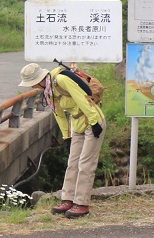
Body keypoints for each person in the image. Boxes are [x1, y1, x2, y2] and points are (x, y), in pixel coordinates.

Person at [18, 62, 106, 218]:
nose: (33, 88)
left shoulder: (61, 80)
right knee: (72, 163)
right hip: (77, 124)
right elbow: (59, 114)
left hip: (92, 121)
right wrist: (67, 137)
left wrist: (94, 122)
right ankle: (68, 199)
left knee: (86, 163)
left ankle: (82, 203)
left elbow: (82, 99)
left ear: (39, 79)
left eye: (32, 84)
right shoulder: (48, 91)